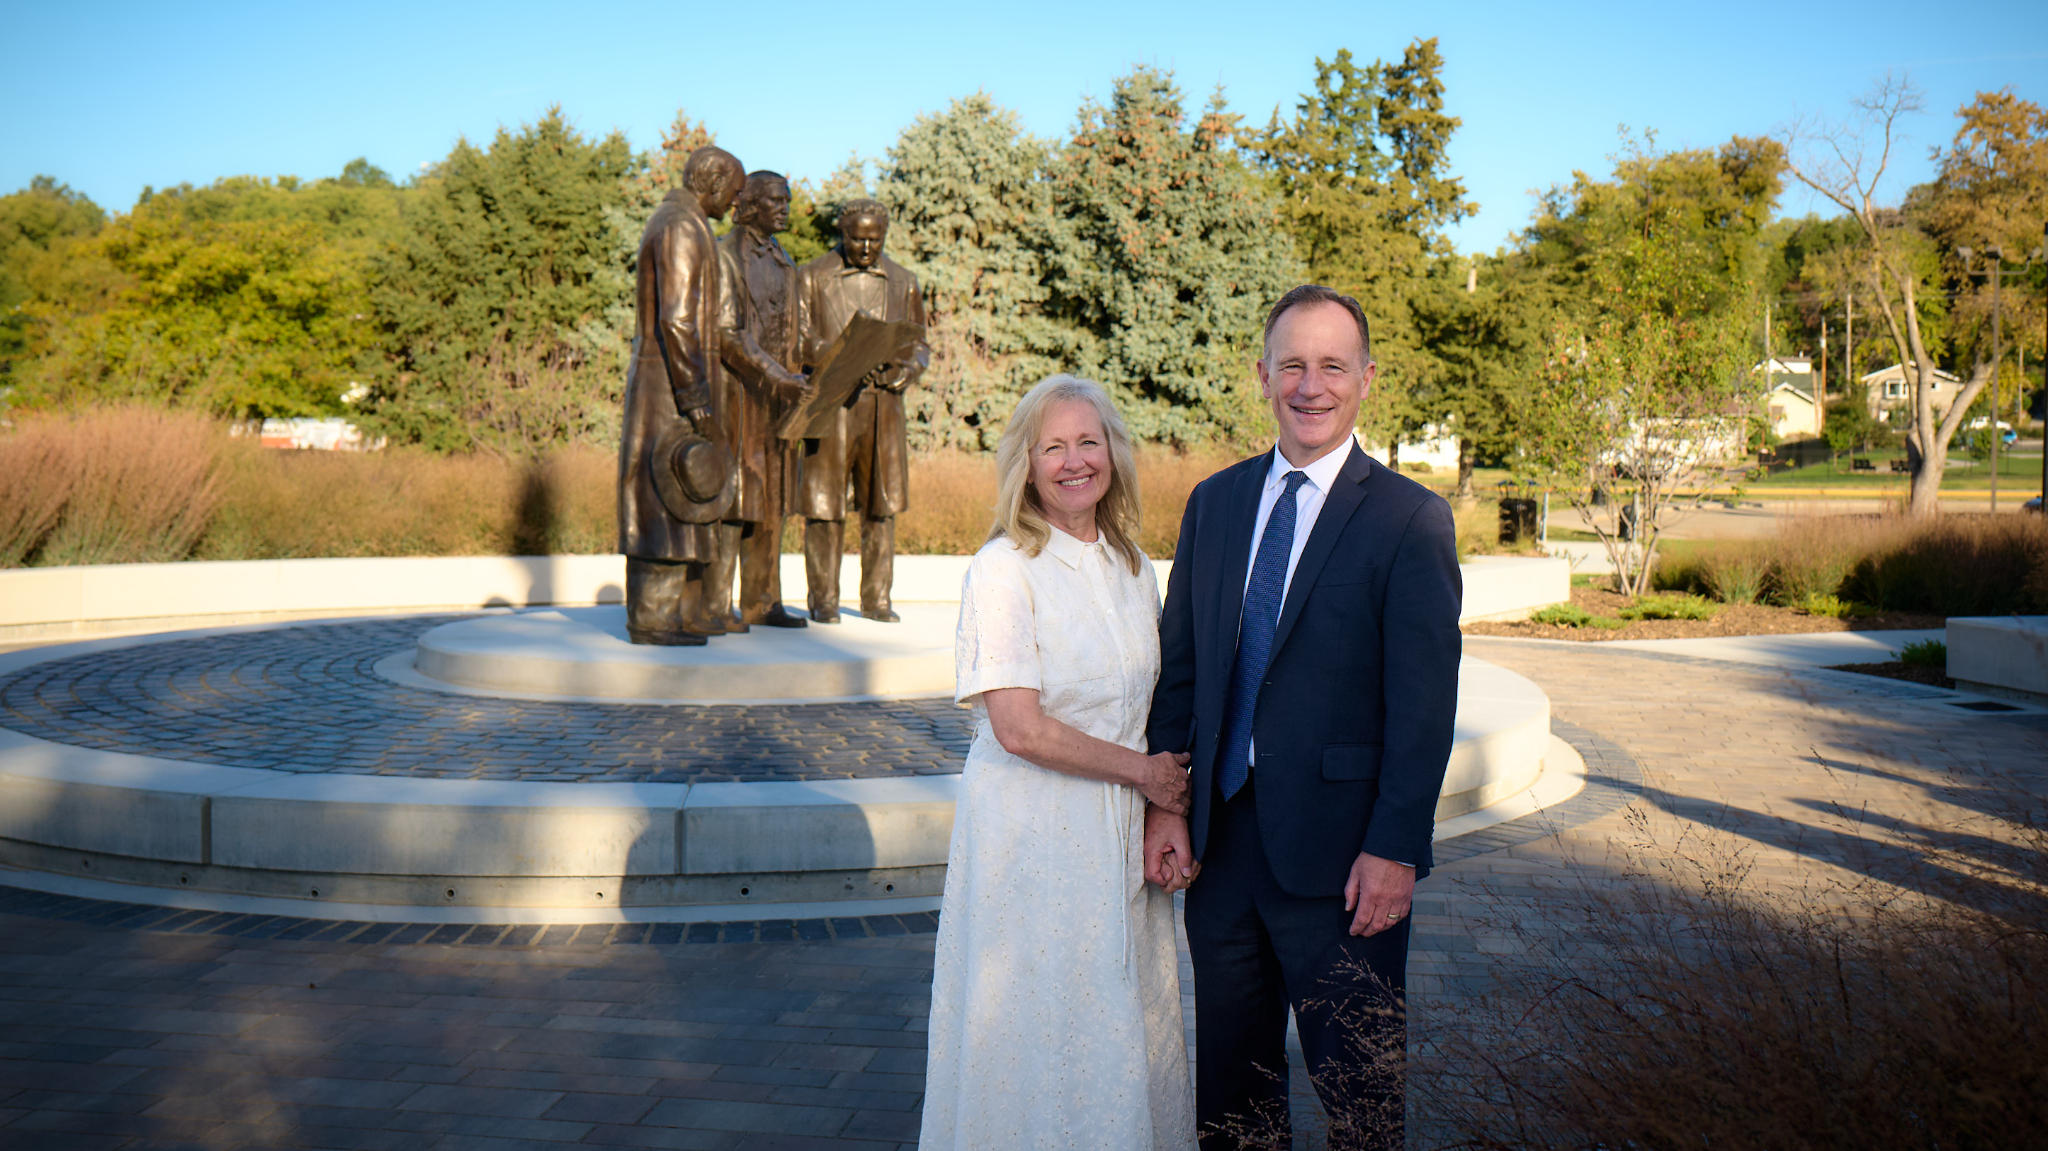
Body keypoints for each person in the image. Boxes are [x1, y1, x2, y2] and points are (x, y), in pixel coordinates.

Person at [1144, 285, 1462, 1150]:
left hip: (1346, 864)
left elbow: (1425, 706)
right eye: (1292, 365)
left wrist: (1395, 847)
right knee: (1233, 1101)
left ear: (1366, 378)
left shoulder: (1409, 518)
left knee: (1361, 1104)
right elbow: (1182, 670)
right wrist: (1167, 805)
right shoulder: (1214, 503)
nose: (1309, 386)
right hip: (1221, 852)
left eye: (1331, 366)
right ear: (1263, 375)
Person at [920, 374, 1198, 1151]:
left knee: (1118, 1018)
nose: (1075, 461)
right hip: (1032, 837)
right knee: (1039, 1021)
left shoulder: (1132, 565)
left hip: (1117, 837)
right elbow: (1018, 727)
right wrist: (1146, 775)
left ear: (1113, 452)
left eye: (1088, 442)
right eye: (1054, 447)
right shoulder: (1004, 567)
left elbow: (1152, 706)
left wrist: (1160, 810)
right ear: (1027, 463)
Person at [617, 146, 747, 646]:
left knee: (680, 500)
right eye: (734, 191)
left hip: (673, 381)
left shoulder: (686, 223)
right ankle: (652, 619)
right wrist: (696, 397)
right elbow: (676, 320)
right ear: (712, 182)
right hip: (669, 387)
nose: (735, 202)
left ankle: (673, 614)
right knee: (664, 498)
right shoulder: (680, 227)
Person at [793, 198, 929, 623]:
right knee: (823, 507)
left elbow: (918, 342)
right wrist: (842, 356)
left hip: (882, 407)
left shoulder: (904, 281)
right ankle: (823, 600)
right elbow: (797, 337)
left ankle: (877, 599)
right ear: (842, 232)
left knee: (880, 507)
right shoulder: (811, 277)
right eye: (857, 239)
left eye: (875, 239)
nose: (866, 248)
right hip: (831, 404)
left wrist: (907, 371)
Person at [716, 170, 811, 629]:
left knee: (774, 499)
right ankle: (716, 603)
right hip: (738, 394)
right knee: (733, 499)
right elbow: (726, 334)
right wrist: (778, 376)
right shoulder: (725, 254)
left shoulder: (783, 260)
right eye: (775, 200)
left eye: (786, 200)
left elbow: (793, 330)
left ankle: (762, 600)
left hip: (779, 399)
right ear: (750, 204)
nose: (784, 208)